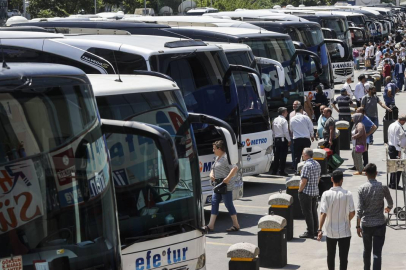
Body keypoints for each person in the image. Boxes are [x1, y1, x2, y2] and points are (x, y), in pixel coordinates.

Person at [357, 163, 393, 270]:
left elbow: (359, 209)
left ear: (366, 174)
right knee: (377, 252)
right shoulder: (383, 187)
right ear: (376, 173)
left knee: (366, 250)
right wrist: (388, 208)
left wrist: (357, 226)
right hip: (379, 224)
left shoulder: (362, 188)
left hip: (366, 224)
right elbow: (390, 202)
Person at [317, 170, 355, 270]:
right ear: (342, 180)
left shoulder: (326, 194)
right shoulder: (348, 194)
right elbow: (352, 213)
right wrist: (348, 219)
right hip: (345, 231)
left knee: (331, 256)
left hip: (330, 232)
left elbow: (323, 213)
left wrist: (320, 229)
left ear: (331, 179)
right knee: (343, 258)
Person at [206, 140, 240, 232]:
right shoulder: (217, 158)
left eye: (214, 149)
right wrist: (211, 174)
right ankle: (211, 225)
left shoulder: (226, 158)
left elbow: (235, 168)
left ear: (219, 149)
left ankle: (236, 225)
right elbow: (213, 168)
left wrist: (227, 179)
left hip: (225, 186)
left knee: (228, 204)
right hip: (218, 185)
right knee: (214, 202)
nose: (213, 151)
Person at [298, 148, 321, 239]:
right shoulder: (317, 163)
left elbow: (304, 180)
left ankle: (310, 232)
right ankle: (315, 230)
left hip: (306, 192)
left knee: (307, 213)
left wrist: (300, 190)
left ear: (306, 155)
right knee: (314, 212)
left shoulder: (306, 165)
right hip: (315, 191)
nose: (302, 155)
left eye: (303, 154)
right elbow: (318, 178)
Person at [290, 105, 315, 173]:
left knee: (296, 156)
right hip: (305, 140)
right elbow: (311, 127)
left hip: (296, 140)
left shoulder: (292, 119)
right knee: (306, 155)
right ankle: (306, 170)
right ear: (301, 110)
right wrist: (312, 135)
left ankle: (296, 170)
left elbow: (291, 130)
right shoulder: (306, 118)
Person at [387, 115, 406, 190]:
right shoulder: (397, 127)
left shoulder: (392, 124)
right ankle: (394, 184)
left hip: (393, 147)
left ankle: (392, 183)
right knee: (398, 167)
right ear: (402, 120)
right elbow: (396, 140)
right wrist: (399, 151)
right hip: (395, 149)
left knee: (394, 167)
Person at [272, 107, 290, 176]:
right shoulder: (284, 120)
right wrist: (289, 140)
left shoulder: (275, 120)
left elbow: (273, 130)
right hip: (283, 139)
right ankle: (281, 171)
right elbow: (286, 131)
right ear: (283, 113)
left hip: (276, 139)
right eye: (286, 112)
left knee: (276, 156)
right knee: (283, 156)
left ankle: (274, 171)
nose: (287, 113)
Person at [289, 100, 308, 170]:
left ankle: (303, 167)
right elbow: (290, 126)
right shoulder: (291, 114)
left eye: (295, 105)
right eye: (293, 104)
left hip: (303, 136)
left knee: (303, 154)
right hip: (293, 137)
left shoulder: (304, 114)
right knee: (294, 153)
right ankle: (294, 166)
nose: (294, 106)